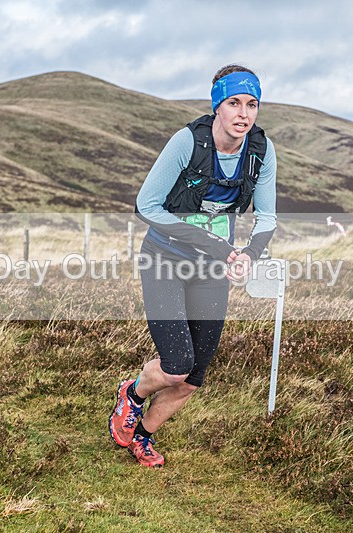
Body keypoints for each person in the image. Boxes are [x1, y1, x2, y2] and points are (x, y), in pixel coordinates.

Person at [108, 64, 277, 467]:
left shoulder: (260, 151)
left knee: (193, 379)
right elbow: (145, 206)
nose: (243, 114)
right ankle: (131, 393)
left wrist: (249, 254)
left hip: (211, 271)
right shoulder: (188, 141)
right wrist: (219, 248)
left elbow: (267, 218)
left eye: (252, 104)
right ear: (217, 104)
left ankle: (143, 436)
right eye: (234, 103)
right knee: (177, 365)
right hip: (165, 259)